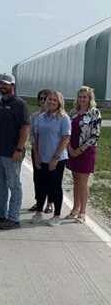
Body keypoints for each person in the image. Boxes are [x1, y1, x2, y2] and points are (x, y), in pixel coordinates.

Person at [0, 74, 30, 230]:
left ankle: (14, 218)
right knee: (1, 184)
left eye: (6, 84)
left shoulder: (20, 104)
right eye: (1, 83)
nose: (2, 86)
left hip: (12, 152)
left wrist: (19, 148)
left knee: (14, 185)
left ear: (13, 85)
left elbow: (25, 128)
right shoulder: (0, 102)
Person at [31, 90, 71, 227]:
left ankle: (56, 215)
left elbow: (66, 138)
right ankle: (38, 212)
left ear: (59, 102)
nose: (52, 102)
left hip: (57, 159)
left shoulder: (63, 118)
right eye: (49, 99)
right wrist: (36, 155)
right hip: (42, 157)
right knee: (41, 186)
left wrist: (55, 158)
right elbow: (35, 138)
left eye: (55, 100)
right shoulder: (41, 117)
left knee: (55, 187)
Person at [65, 86, 102, 224]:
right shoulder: (73, 112)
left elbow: (95, 136)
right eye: (80, 96)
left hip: (86, 152)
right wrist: (69, 148)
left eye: (85, 97)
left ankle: (82, 212)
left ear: (90, 98)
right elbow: (66, 131)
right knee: (75, 181)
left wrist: (79, 150)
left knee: (83, 182)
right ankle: (75, 208)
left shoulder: (94, 113)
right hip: (71, 150)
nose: (82, 99)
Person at [29, 89, 53, 213]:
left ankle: (49, 203)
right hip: (37, 151)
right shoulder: (34, 116)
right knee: (38, 178)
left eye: (46, 98)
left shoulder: (56, 115)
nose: (43, 101)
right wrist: (35, 151)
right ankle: (39, 202)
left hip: (50, 152)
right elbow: (32, 135)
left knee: (50, 178)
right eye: (41, 99)